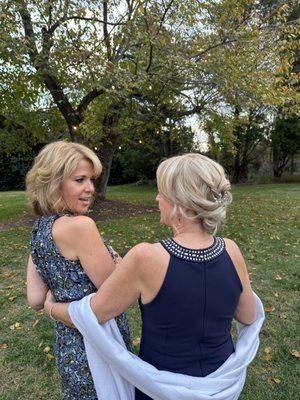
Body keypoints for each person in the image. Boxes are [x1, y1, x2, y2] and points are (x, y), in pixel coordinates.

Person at [44, 153, 257, 400]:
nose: (157, 198)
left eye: (161, 192)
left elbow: (93, 314)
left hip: (160, 388)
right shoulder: (231, 249)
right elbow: (248, 316)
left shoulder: (146, 257)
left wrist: (50, 307)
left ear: (180, 202)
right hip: (223, 382)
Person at [26, 141, 131, 400]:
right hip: (100, 343)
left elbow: (35, 299)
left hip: (69, 348)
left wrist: (54, 303)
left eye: (91, 180)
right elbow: (116, 295)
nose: (90, 189)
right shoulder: (81, 226)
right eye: (80, 180)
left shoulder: (39, 231)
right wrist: (119, 263)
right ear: (54, 182)